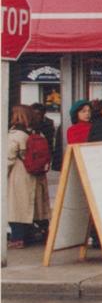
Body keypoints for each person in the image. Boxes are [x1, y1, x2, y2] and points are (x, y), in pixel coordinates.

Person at [6, 106, 50, 249]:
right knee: (37, 207)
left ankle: (18, 238)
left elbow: (8, 158)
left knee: (17, 207)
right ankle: (44, 233)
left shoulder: (15, 135)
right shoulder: (38, 133)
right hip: (37, 174)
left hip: (20, 174)